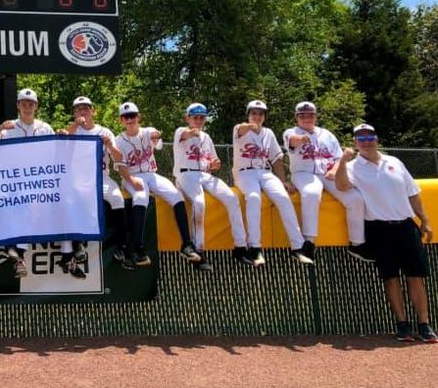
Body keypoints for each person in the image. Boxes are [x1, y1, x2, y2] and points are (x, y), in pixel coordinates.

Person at [335, 124, 437, 343]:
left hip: (406, 226)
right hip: (379, 229)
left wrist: (425, 221)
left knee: (416, 277)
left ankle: (425, 324)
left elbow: (413, 194)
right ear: (355, 143)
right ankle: (402, 325)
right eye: (361, 139)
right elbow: (342, 186)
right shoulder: (352, 167)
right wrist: (342, 161)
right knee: (390, 279)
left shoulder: (395, 162)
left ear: (377, 139)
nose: (366, 141)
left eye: (370, 137)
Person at [0, 88, 66, 278]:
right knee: (8, 207)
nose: (27, 107)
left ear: (36, 106)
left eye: (31, 104)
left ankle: (18, 255)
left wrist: (64, 135)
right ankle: (16, 253)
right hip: (13, 179)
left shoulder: (45, 127)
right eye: (24, 103)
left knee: (32, 210)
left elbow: (54, 152)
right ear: (18, 106)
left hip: (36, 181)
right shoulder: (9, 127)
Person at [115, 102, 202, 267]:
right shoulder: (119, 140)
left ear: (139, 117)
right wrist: (131, 180)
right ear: (121, 120)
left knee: (177, 196)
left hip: (151, 174)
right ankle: (138, 248)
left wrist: (156, 136)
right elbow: (121, 166)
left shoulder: (147, 131)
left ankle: (186, 244)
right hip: (131, 175)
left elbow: (156, 138)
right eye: (126, 117)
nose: (130, 119)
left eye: (133, 116)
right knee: (141, 197)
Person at [283, 101, 371, 262]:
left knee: (355, 198)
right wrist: (301, 138)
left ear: (316, 117)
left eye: (310, 115)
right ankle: (308, 242)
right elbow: (292, 141)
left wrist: (335, 170)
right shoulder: (291, 131)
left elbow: (338, 158)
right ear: (296, 118)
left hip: (328, 173)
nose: (306, 118)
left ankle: (357, 243)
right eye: (302, 115)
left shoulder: (327, 134)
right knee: (311, 192)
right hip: (303, 173)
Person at [232, 100, 312, 266]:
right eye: (253, 113)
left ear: (265, 117)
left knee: (283, 197)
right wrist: (248, 126)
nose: (257, 116)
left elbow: (276, 159)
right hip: (245, 173)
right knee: (254, 198)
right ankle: (255, 248)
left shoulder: (268, 133)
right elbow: (240, 129)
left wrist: (283, 180)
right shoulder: (240, 129)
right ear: (248, 115)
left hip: (264, 171)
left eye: (260, 113)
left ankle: (297, 247)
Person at [172, 103, 250, 270]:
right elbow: (186, 134)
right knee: (199, 203)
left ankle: (240, 247)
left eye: (201, 117)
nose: (198, 120)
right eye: (195, 117)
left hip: (204, 174)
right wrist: (192, 131)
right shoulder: (181, 131)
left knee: (232, 198)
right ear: (188, 118)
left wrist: (214, 164)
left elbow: (212, 162)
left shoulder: (206, 137)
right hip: (185, 174)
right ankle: (197, 250)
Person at [64, 96, 131, 270]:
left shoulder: (104, 131)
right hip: (79, 177)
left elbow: (118, 158)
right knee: (75, 198)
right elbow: (62, 146)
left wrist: (109, 145)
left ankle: (121, 247)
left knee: (117, 199)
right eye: (79, 109)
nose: (83, 111)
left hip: (102, 177)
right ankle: (78, 243)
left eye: (86, 107)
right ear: (74, 113)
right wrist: (74, 126)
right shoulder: (74, 130)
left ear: (93, 110)